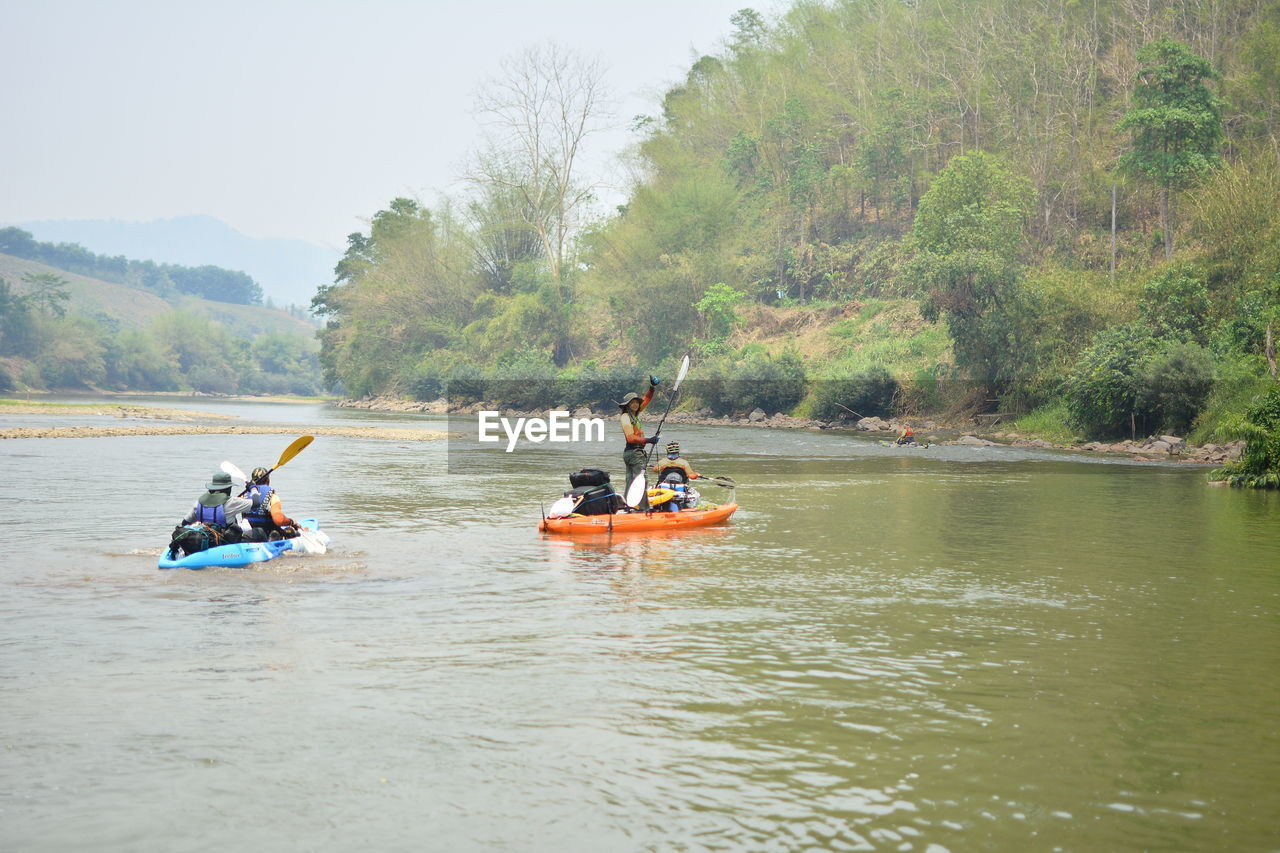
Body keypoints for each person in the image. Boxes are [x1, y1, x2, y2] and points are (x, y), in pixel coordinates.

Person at [168, 471, 260, 556]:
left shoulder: (199, 502)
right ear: (228, 488)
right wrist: (253, 488)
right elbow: (256, 503)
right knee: (258, 532)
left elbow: (184, 523)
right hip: (225, 543)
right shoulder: (232, 502)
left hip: (205, 540)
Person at [618, 377, 660, 510]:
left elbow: (646, 400)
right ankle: (643, 510)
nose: (635, 405)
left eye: (637, 402)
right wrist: (648, 440)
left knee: (631, 481)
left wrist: (651, 388)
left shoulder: (634, 414)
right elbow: (630, 438)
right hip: (634, 453)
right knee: (641, 481)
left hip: (632, 453)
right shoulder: (625, 417)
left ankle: (628, 507)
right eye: (632, 403)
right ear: (627, 405)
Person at [242, 467, 298, 541]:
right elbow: (279, 520)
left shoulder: (243, 496)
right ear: (268, 480)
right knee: (291, 531)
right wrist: (291, 522)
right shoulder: (272, 497)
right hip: (269, 535)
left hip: (250, 535)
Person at [651, 442, 702, 511]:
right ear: (678, 451)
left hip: (664, 486)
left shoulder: (662, 462)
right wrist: (697, 475)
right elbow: (691, 476)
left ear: (667, 451)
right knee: (696, 495)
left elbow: (655, 470)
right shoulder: (683, 463)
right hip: (680, 486)